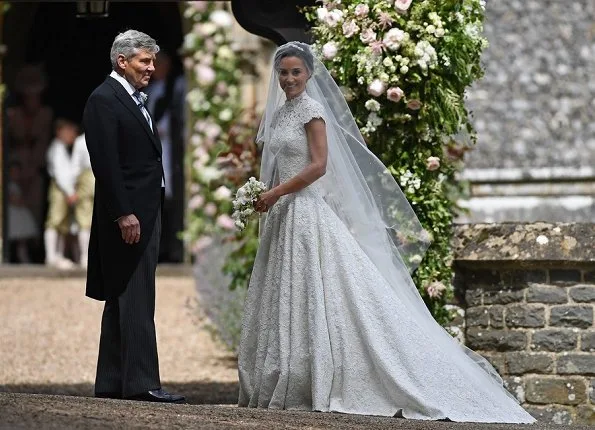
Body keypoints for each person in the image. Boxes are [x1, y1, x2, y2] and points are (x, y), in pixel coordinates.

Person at [237, 42, 536, 423]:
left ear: (309, 74)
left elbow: (318, 166)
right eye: (283, 72)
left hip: (306, 210)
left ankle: (333, 374)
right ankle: (290, 375)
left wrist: (275, 193)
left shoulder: (312, 111)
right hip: (283, 214)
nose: (289, 78)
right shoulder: (280, 115)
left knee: (330, 292)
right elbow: (278, 164)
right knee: (288, 291)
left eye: (296, 72)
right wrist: (262, 197)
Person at [83, 29, 184, 403]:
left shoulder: (129, 97)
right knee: (137, 295)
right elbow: (106, 164)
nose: (151, 68)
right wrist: (124, 213)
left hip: (144, 209)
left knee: (123, 293)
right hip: (129, 214)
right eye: (144, 61)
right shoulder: (104, 100)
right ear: (122, 61)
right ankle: (143, 382)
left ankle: (111, 381)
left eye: (153, 61)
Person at [144, 50, 185, 263]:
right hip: (154, 151)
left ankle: (175, 248)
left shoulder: (178, 86)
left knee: (174, 198)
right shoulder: (149, 90)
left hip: (172, 150)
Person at [44, 119, 80, 270]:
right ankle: (51, 255)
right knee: (55, 220)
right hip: (61, 189)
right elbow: (60, 173)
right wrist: (70, 191)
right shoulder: (57, 149)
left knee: (62, 223)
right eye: (68, 131)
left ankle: (57, 254)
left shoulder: (63, 148)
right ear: (59, 132)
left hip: (65, 188)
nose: (72, 135)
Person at [70, 133, 95, 269]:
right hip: (87, 179)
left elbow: (75, 166)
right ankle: (85, 256)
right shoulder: (81, 141)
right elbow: (75, 166)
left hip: (100, 178)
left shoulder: (81, 140)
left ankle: (87, 256)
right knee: (84, 221)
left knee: (87, 220)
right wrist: (73, 188)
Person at [7, 160, 39, 263]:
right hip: (13, 214)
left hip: (19, 214)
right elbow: (13, 199)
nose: (16, 174)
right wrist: (22, 202)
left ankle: (23, 258)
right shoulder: (9, 185)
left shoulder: (17, 185)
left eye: (17, 172)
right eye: (13, 172)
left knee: (21, 241)